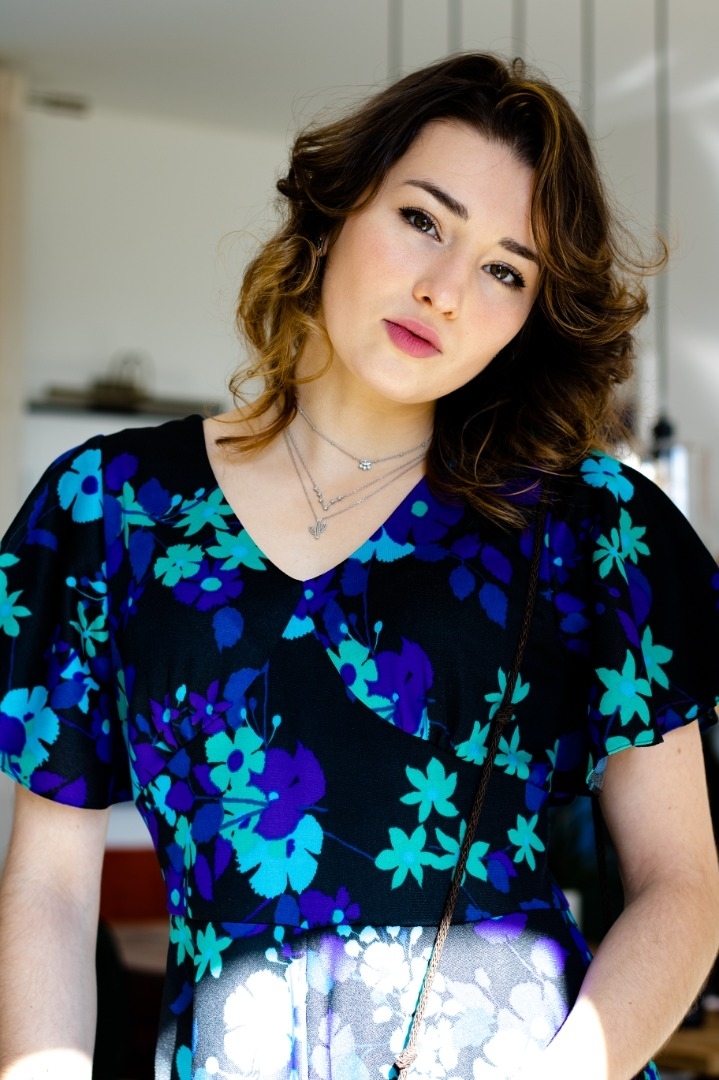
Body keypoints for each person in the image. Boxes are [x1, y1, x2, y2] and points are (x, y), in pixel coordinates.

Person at [0, 51, 718, 1080]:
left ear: (529, 317)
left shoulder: (589, 528)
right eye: (423, 219)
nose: (442, 290)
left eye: (505, 270)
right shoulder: (109, 507)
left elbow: (681, 886)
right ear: (339, 207)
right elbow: (50, 890)